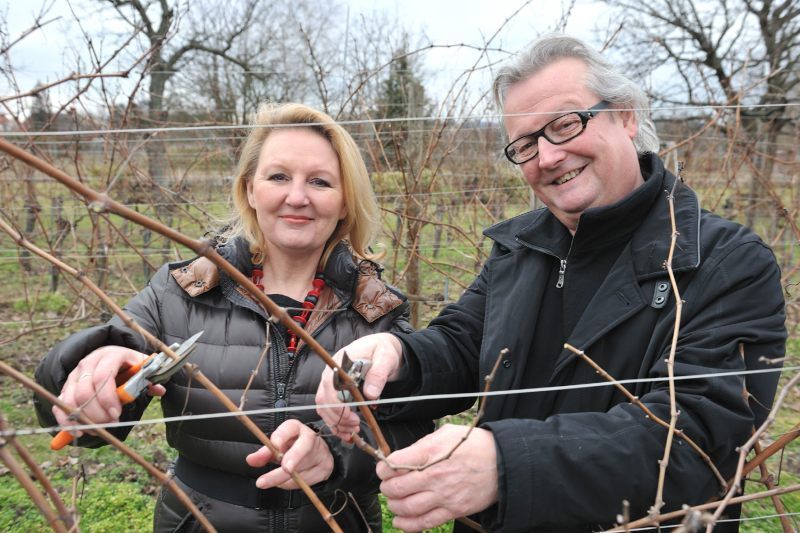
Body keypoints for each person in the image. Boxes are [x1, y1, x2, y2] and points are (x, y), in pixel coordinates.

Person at [316, 35, 787, 532]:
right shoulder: (521, 248)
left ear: (626, 116)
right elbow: (461, 345)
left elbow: (696, 440)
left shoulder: (722, 261)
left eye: (565, 124)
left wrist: (505, 465)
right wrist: (397, 355)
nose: (546, 157)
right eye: (524, 145)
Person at [33, 102, 432, 532]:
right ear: (249, 190)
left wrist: (336, 455)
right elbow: (88, 407)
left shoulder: (376, 307)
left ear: (344, 203)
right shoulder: (182, 290)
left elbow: (410, 432)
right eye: (278, 176)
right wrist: (94, 370)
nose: (296, 197)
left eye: (319, 181)